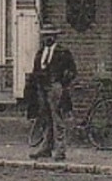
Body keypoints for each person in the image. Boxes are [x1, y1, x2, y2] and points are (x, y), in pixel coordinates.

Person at [26, 22, 77, 160]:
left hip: (55, 88)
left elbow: (72, 71)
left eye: (50, 36)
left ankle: (60, 150)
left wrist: (62, 83)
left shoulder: (63, 53)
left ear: (55, 37)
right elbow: (35, 70)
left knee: (57, 119)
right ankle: (46, 148)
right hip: (42, 88)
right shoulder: (40, 53)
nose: (47, 39)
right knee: (45, 118)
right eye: (45, 36)